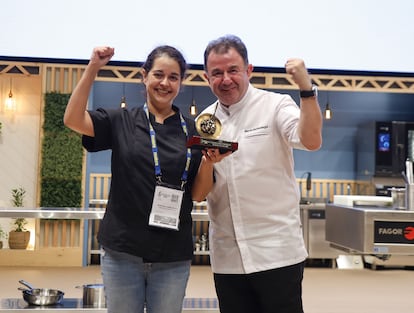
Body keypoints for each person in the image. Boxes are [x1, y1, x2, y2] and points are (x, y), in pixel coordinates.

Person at [64, 45, 204, 313]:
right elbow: (72, 119)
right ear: (144, 76)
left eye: (173, 77)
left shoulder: (193, 130)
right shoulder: (121, 120)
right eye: (158, 75)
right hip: (123, 253)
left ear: (181, 83)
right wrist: (93, 67)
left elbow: (198, 191)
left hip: (172, 256)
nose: (165, 83)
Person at [192, 35, 323, 313]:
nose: (225, 79)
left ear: (248, 70)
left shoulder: (276, 105)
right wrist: (207, 162)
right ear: (207, 77)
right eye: (217, 73)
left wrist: (306, 88)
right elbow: (201, 194)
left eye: (233, 70)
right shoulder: (205, 121)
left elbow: (310, 140)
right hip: (227, 257)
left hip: (276, 252)